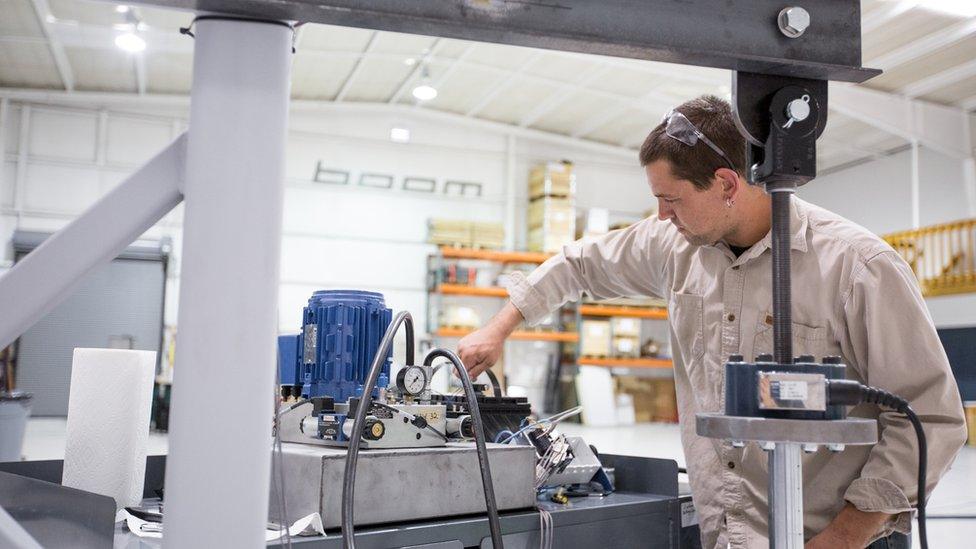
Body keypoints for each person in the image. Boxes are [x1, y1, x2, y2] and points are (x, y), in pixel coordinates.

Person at [457, 95, 967, 548]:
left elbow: (931, 416)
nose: (660, 215)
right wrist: (500, 325)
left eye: (671, 199)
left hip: (835, 537)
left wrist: (846, 537)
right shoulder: (674, 245)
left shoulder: (856, 268)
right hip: (725, 532)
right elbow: (579, 263)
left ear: (726, 183)